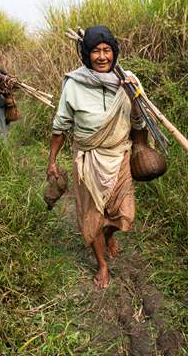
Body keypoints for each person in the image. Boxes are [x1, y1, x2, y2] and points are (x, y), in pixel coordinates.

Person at [47, 25, 145, 289]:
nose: (102, 57)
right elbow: (61, 125)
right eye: (95, 51)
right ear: (86, 54)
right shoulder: (74, 83)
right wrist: (52, 160)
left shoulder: (129, 81)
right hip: (88, 158)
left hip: (119, 155)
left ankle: (109, 233)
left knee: (124, 214)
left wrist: (132, 97)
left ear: (115, 52)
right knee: (92, 215)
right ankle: (102, 264)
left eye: (107, 50)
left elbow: (139, 122)